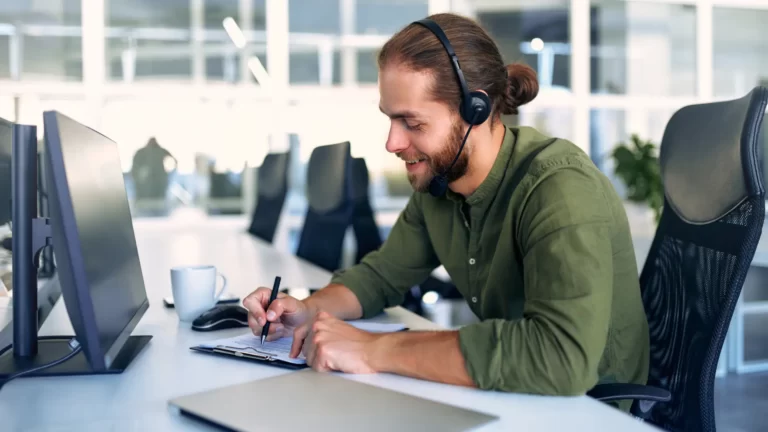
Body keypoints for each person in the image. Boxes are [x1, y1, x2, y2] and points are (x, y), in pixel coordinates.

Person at [243, 13, 649, 408]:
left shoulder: (559, 187)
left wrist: (375, 349)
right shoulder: (440, 183)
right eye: (390, 119)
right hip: (514, 394)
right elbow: (380, 277)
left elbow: (562, 358)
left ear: (476, 110)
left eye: (412, 123)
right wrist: (308, 310)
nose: (391, 142)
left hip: (587, 409)